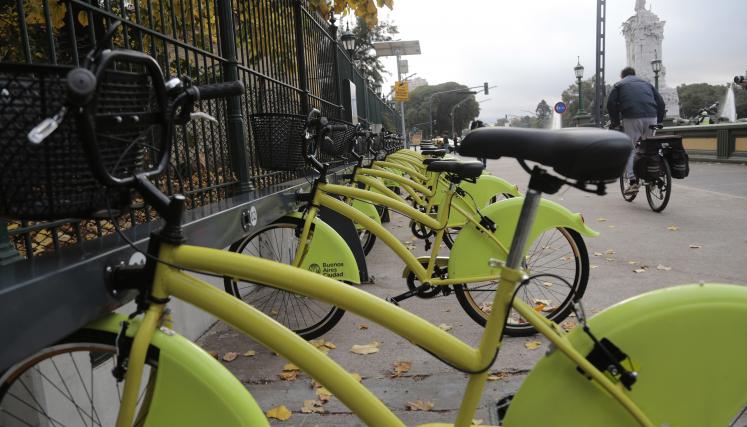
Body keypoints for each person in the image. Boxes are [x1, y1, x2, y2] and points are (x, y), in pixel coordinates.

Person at [607, 66, 666, 195]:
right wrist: (659, 120)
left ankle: (633, 182)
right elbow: (661, 103)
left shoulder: (619, 85)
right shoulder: (647, 84)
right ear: (634, 74)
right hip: (652, 117)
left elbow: (610, 104)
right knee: (649, 147)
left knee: (630, 148)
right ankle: (653, 175)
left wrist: (615, 122)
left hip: (632, 117)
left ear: (622, 76)